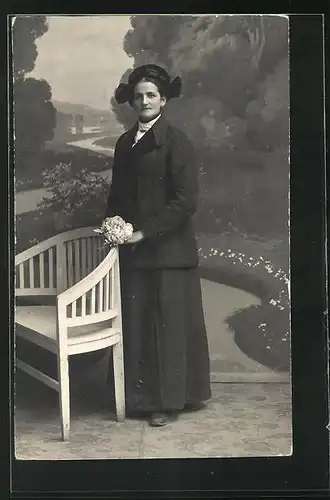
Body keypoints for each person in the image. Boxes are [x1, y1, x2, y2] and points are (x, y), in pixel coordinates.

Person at [104, 64, 211, 427]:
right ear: (132, 103)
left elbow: (185, 202)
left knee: (166, 325)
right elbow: (117, 195)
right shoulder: (124, 143)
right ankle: (136, 398)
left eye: (151, 95)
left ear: (163, 99)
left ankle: (167, 402)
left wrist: (145, 232)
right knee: (137, 321)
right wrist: (112, 224)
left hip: (168, 250)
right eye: (139, 96)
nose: (145, 101)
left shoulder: (177, 142)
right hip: (134, 250)